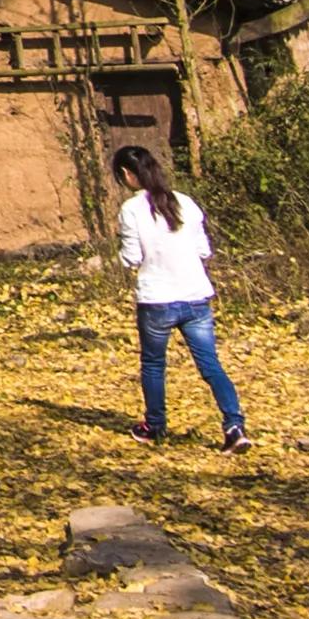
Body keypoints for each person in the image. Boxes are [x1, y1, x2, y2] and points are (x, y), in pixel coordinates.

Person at [110, 143, 249, 447]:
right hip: (196, 296)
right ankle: (234, 426)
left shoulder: (131, 209)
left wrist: (122, 253)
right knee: (210, 365)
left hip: (157, 299)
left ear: (126, 175)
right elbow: (203, 250)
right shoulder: (186, 202)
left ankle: (155, 426)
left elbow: (131, 258)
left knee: (154, 365)